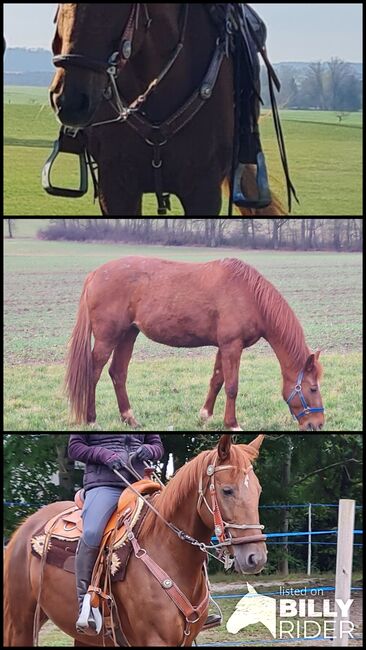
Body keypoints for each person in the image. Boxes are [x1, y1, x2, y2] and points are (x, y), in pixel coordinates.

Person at [68, 434, 164, 634]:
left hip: (141, 483)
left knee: (178, 521)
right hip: (105, 484)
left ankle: (196, 602)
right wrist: (103, 454)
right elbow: (75, 448)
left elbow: (157, 445)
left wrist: (150, 450)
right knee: (93, 533)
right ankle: (86, 605)